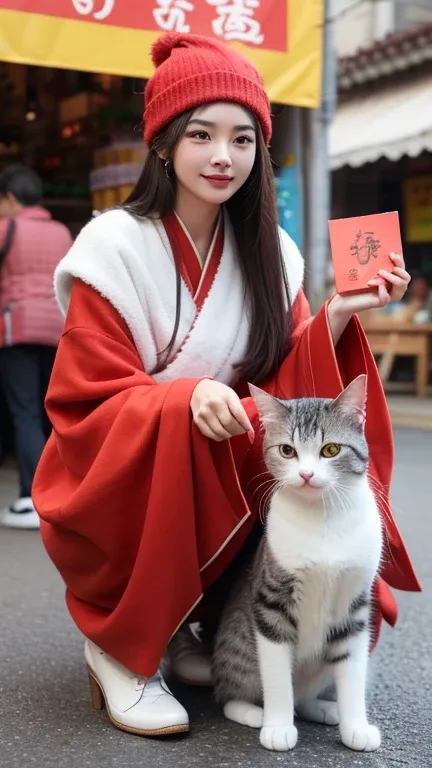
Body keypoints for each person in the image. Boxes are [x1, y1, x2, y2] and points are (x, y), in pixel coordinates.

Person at [32, 33, 420, 738]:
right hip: (130, 465)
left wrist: (337, 313)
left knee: (286, 458)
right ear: (162, 144)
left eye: (244, 139)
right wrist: (180, 398)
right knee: (184, 435)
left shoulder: (274, 255)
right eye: (201, 134)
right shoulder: (113, 248)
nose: (223, 156)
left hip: (223, 452)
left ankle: (191, 622)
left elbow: (288, 383)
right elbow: (83, 397)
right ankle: (122, 647)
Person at [0, 164, 72, 529]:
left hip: (18, 330)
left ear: (10, 198)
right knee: (50, 412)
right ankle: (58, 493)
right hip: (57, 329)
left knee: (24, 411)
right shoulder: (61, 231)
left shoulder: (6, 228)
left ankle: (30, 496)